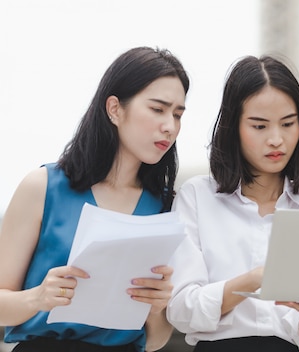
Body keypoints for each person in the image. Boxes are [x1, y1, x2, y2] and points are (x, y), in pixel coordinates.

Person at [0, 46, 190, 352]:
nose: (170, 126)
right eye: (158, 109)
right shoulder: (43, 187)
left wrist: (156, 306)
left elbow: (155, 342)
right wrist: (36, 297)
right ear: (114, 109)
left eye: (178, 114)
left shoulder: (166, 207)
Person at [166, 55, 299, 352]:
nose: (276, 139)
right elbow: (181, 310)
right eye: (259, 126)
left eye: (288, 124)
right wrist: (255, 279)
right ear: (233, 127)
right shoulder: (197, 197)